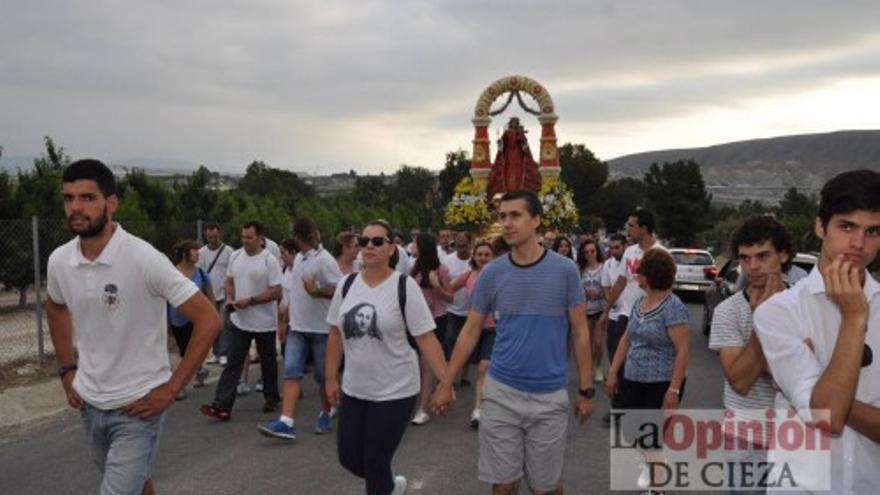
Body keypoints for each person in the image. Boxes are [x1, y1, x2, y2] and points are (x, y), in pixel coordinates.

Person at [46, 159, 221, 495]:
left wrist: (171, 390)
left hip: (139, 407)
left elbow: (209, 320)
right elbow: (55, 306)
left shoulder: (144, 259)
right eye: (68, 198)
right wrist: (67, 368)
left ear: (111, 203)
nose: (76, 208)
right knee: (138, 484)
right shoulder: (59, 261)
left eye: (87, 198)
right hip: (89, 402)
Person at [433, 189, 594, 495]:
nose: (506, 223)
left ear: (537, 220)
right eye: (502, 216)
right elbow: (470, 330)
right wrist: (446, 383)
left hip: (548, 395)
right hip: (501, 392)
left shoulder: (565, 271)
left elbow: (580, 330)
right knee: (504, 485)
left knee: (545, 488)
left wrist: (586, 389)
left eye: (515, 215)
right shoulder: (492, 273)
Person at [754, 169, 880, 493]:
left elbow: (827, 405)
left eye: (873, 231)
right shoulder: (778, 312)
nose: (858, 243)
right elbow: (828, 416)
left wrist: (824, 380)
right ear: (820, 226)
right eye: (847, 226)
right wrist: (854, 319)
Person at [325, 219, 449, 495]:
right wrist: (331, 378)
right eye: (363, 241)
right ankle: (391, 486)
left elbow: (426, 338)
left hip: (396, 389)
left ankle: (384, 485)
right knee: (350, 458)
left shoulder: (404, 287)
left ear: (391, 248)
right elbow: (335, 333)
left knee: (375, 461)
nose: (369, 246)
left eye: (377, 241)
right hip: (356, 389)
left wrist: (446, 383)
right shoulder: (346, 285)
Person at [708, 216, 794, 494]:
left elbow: (815, 379)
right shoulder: (728, 311)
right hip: (746, 438)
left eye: (763, 256)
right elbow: (740, 381)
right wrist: (762, 322)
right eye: (745, 258)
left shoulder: (808, 307)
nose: (753, 267)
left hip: (798, 438)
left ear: (783, 255)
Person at [605, 248, 689, 493]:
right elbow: (626, 339)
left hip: (660, 383)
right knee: (632, 433)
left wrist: (673, 389)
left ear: (650, 275)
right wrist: (612, 372)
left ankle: (657, 487)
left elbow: (683, 351)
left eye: (639, 271)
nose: (635, 275)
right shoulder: (640, 302)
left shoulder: (673, 307)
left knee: (650, 439)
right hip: (633, 379)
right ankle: (657, 461)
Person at [258, 218, 342, 439]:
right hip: (298, 328)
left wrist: (317, 291)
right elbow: (294, 294)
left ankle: (326, 412)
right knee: (291, 373)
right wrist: (285, 322)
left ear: (297, 236)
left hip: (323, 330)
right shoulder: (298, 261)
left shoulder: (325, 260)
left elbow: (339, 289)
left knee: (324, 378)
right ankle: (286, 421)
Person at [201, 221, 282, 421]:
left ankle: (271, 398)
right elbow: (229, 280)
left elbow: (276, 291)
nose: (245, 241)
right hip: (239, 321)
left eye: (249, 237)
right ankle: (221, 405)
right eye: (243, 237)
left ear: (260, 237)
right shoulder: (235, 256)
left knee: (268, 363)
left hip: (264, 323)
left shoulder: (269, 260)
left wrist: (252, 301)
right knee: (233, 363)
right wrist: (229, 298)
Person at [448, 240, 497, 429]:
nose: (483, 258)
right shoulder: (468, 275)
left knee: (484, 368)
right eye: (480, 254)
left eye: (487, 254)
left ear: (493, 257)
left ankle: (478, 409)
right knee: (460, 360)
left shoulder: (499, 276)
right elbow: (449, 290)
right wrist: (436, 283)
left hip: (493, 328)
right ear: (474, 257)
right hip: (472, 327)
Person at [409, 233, 453, 426]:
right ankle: (425, 396)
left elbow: (450, 297)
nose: (411, 246)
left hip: (435, 320)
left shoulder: (441, 269)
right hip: (415, 321)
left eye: (415, 243)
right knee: (418, 364)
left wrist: (437, 286)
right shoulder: (415, 267)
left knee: (427, 365)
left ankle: (423, 408)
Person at [168, 239, 213, 397]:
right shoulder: (172, 272)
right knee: (184, 351)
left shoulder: (201, 272)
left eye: (197, 250)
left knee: (186, 353)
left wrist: (211, 315)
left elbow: (210, 294)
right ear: (185, 253)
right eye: (194, 250)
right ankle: (199, 369)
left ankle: (180, 387)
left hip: (195, 319)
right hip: (176, 318)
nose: (197, 253)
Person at [599, 233, 627, 427]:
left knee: (624, 365)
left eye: (618, 247)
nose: (614, 251)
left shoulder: (631, 262)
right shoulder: (608, 265)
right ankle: (616, 406)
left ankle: (624, 408)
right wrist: (609, 306)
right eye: (612, 248)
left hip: (628, 317)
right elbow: (606, 288)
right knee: (613, 363)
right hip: (613, 317)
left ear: (625, 246)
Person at [442, 231, 473, 384]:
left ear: (470, 244)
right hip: (451, 309)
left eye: (464, 246)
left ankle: (465, 375)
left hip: (470, 310)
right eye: (458, 245)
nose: (461, 248)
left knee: (467, 344)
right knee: (449, 341)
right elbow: (443, 282)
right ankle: (449, 374)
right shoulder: (447, 260)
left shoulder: (475, 260)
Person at [199, 222, 232, 366]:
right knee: (212, 324)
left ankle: (223, 353)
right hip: (209, 295)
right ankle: (215, 352)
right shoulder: (201, 253)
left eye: (215, 236)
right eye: (209, 237)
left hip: (224, 294)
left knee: (223, 325)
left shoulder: (229, 252)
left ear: (219, 235)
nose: (212, 239)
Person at [577, 238, 606, 382]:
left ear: (597, 251)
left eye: (592, 251)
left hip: (601, 309)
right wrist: (584, 293)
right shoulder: (580, 270)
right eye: (586, 252)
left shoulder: (604, 267)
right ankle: (587, 368)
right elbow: (576, 289)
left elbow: (609, 287)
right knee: (586, 343)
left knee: (598, 342)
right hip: (585, 311)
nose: (590, 254)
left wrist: (600, 293)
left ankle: (599, 366)